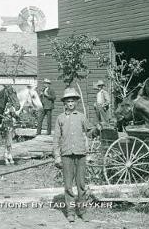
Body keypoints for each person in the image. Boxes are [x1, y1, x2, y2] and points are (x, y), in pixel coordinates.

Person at [53, 87, 89, 223]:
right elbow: (56, 139)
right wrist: (57, 156)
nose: (70, 103)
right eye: (68, 101)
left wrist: (96, 130)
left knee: (81, 185)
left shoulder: (82, 117)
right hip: (66, 155)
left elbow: (89, 132)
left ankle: (83, 211)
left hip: (81, 154)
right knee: (68, 185)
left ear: (76, 102)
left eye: (73, 101)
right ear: (64, 103)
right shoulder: (60, 118)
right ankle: (71, 212)